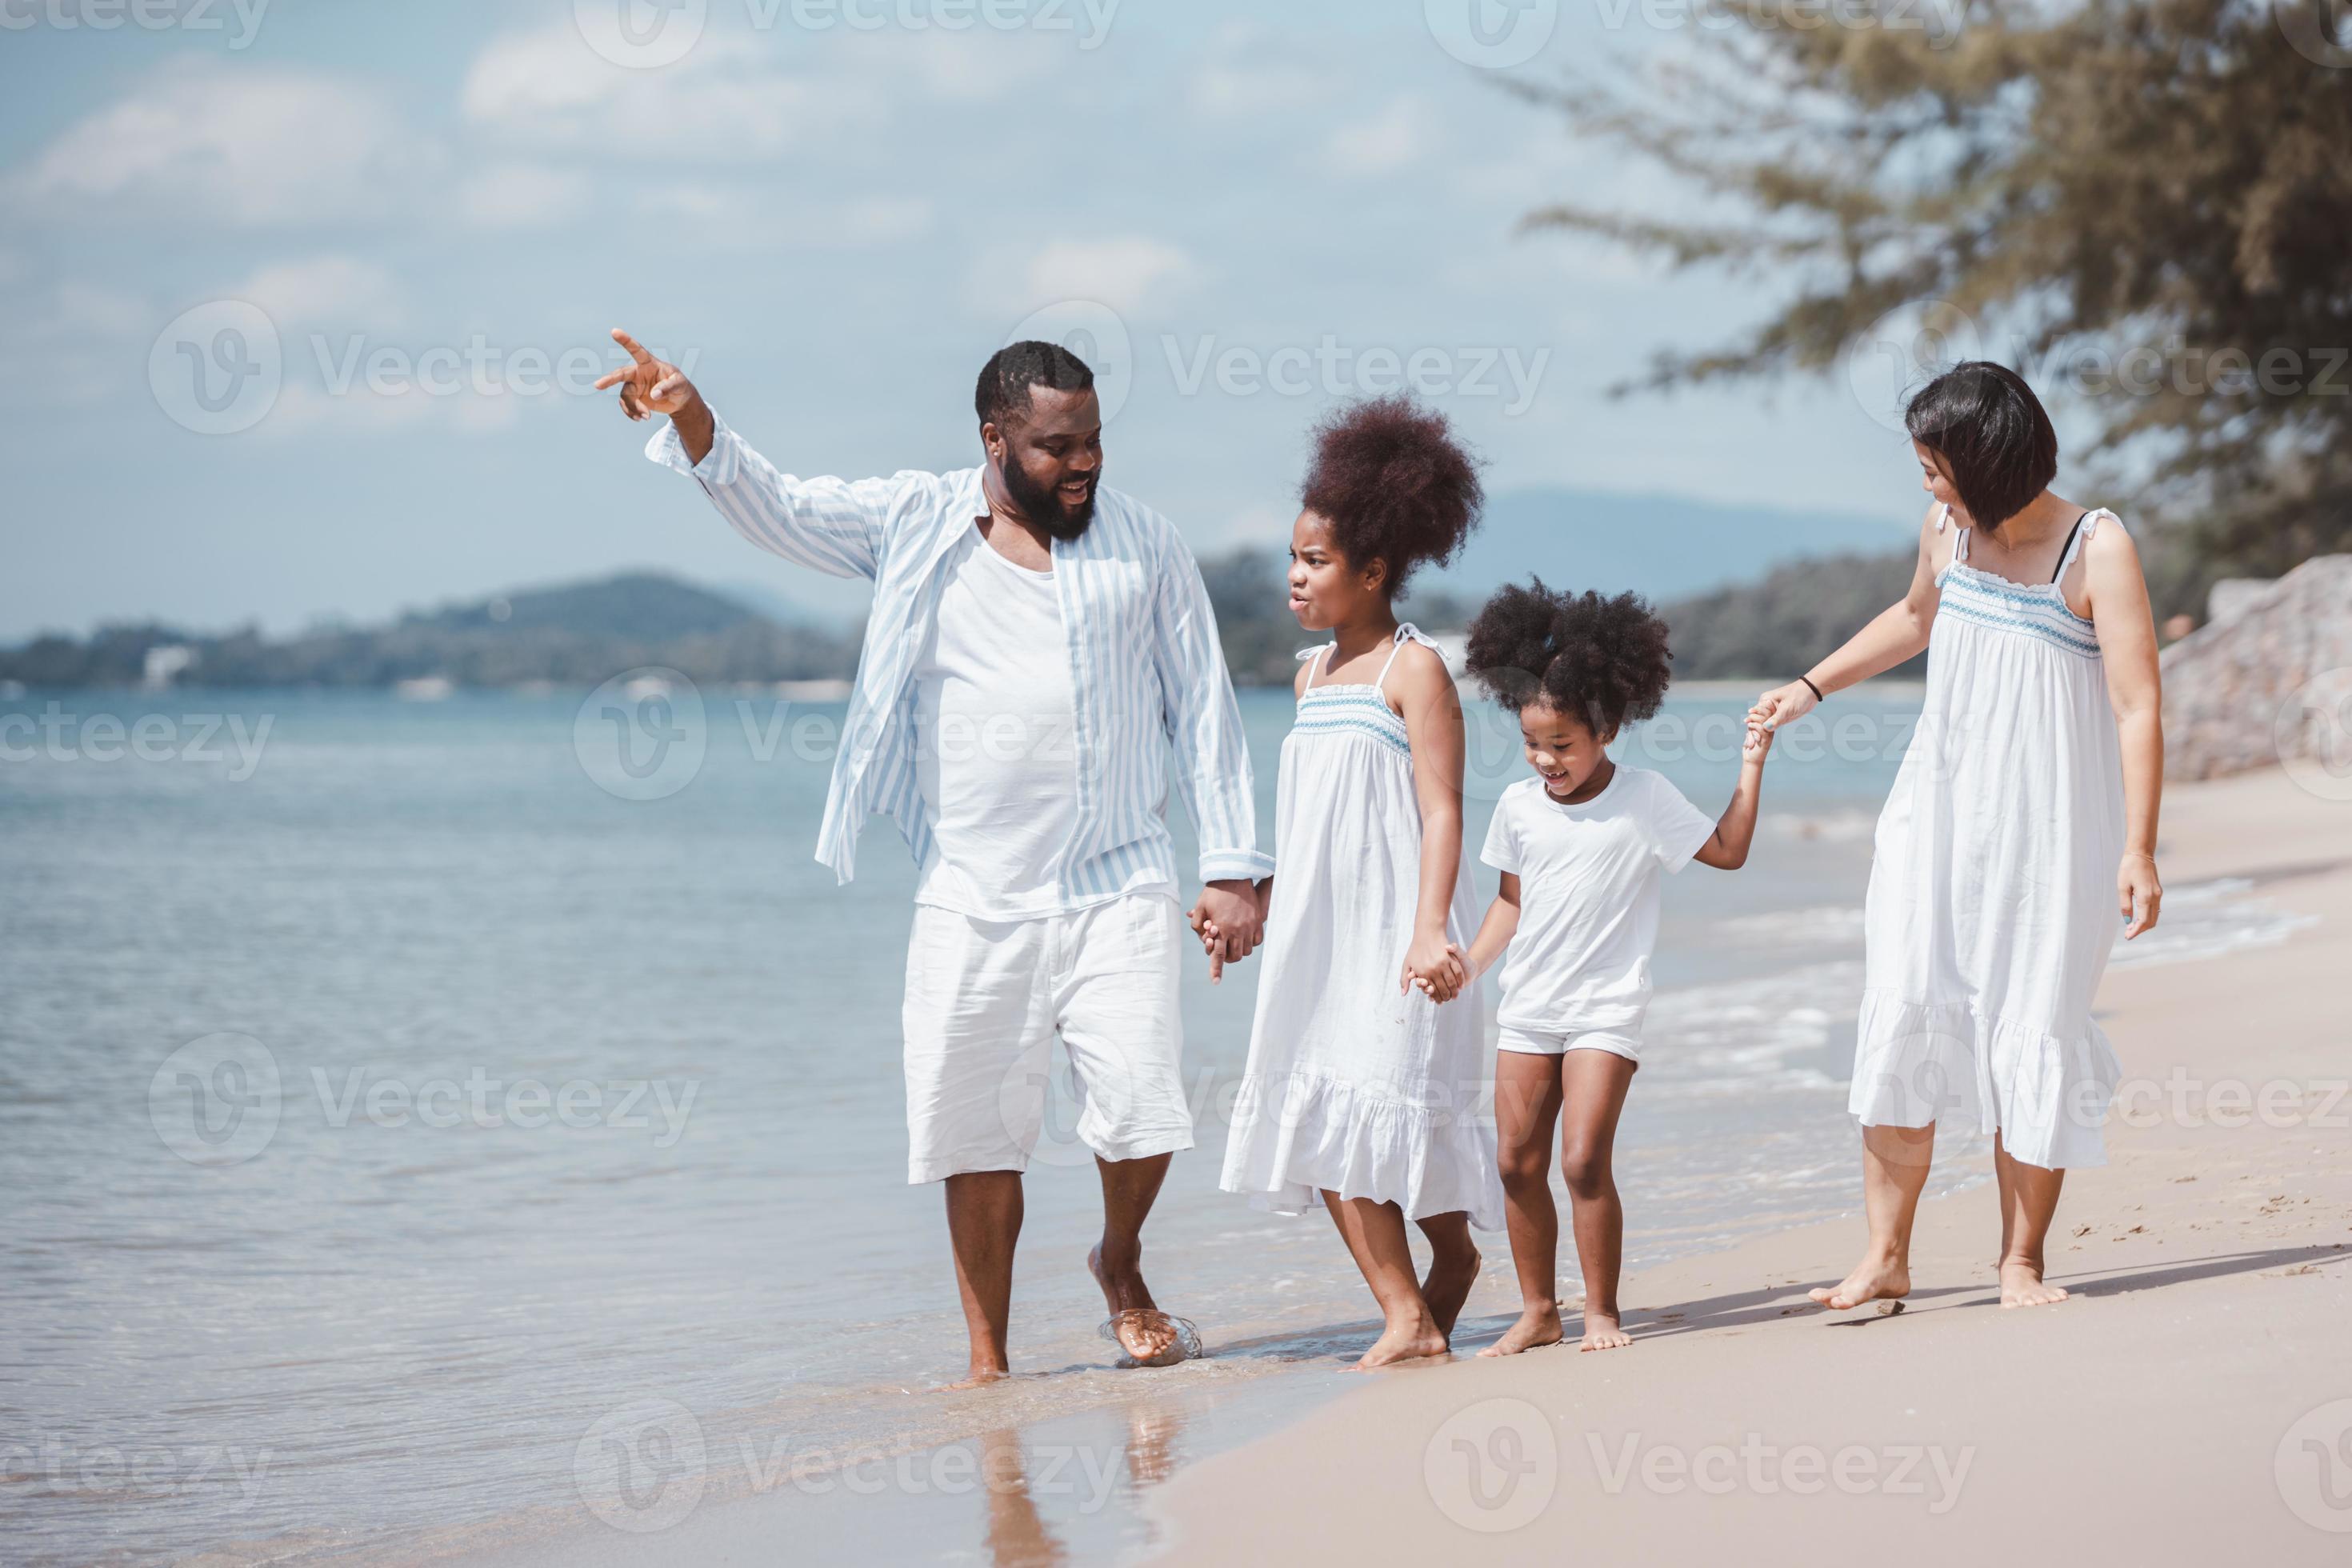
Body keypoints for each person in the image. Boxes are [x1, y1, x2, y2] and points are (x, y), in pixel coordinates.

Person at [596, 330, 1274, 1382]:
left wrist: (1233, 869)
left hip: (1119, 876)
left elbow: (1205, 706)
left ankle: (1121, 1260)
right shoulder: (915, 520)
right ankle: (989, 1364)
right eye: (1056, 446)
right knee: (975, 1136)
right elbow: (778, 505)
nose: (1084, 463)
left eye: (1094, 440)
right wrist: (691, 417)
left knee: (1144, 1109)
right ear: (994, 439)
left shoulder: (1147, 544)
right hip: (973, 888)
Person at [1746, 361, 2166, 1313]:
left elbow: (2139, 705)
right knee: (1903, 1002)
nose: (1927, 484)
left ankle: (2019, 1261)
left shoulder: (2095, 548)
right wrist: (1810, 687)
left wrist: (2138, 848)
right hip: (1934, 814)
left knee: (2034, 1022)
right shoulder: (1947, 531)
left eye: (1937, 465)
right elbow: (1913, 618)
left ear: (1989, 459)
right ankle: (1885, 1255)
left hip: (2052, 830)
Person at [1206, 396, 1501, 1370]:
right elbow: (1322, 828)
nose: (1295, 576)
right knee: (1327, 1110)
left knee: (1376, 1108)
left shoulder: (1413, 672)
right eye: (1294, 557)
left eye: (1316, 560)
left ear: (1373, 570)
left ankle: (1416, 1311)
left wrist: (1429, 929)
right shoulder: (1307, 677)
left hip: (1400, 935)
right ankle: (1425, 1293)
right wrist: (1257, 902)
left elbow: (1443, 812)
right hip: (1319, 942)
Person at [1457, 583, 1772, 1354]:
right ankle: (1538, 1310)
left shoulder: (1646, 797)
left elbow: (1727, 853)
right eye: (1534, 743)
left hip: (1607, 1007)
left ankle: (1601, 1311)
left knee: (1583, 1157)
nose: (1546, 759)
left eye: (1563, 744)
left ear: (1608, 727)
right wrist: (1467, 966)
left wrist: (1751, 765)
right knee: (1514, 1161)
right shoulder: (1517, 807)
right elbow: (1510, 904)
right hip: (1529, 1006)